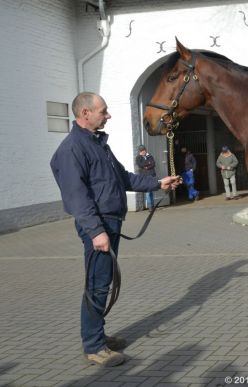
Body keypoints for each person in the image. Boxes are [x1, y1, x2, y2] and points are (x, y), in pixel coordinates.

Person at [50, 92, 181, 367]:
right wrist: (96, 232)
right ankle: (94, 346)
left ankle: (98, 335)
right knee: (97, 287)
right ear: (85, 114)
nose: (107, 115)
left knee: (103, 284)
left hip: (109, 222)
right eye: (103, 111)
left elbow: (123, 178)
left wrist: (159, 183)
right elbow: (77, 196)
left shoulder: (98, 144)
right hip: (97, 226)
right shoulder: (72, 148)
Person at [135, 145, 157, 211]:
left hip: (151, 174)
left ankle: (152, 205)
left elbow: (153, 164)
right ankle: (150, 206)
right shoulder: (138, 157)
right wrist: (148, 163)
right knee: (148, 191)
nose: (144, 152)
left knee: (151, 191)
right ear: (140, 151)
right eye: (142, 151)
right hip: (145, 176)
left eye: (144, 150)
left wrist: (147, 166)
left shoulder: (149, 156)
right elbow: (141, 165)